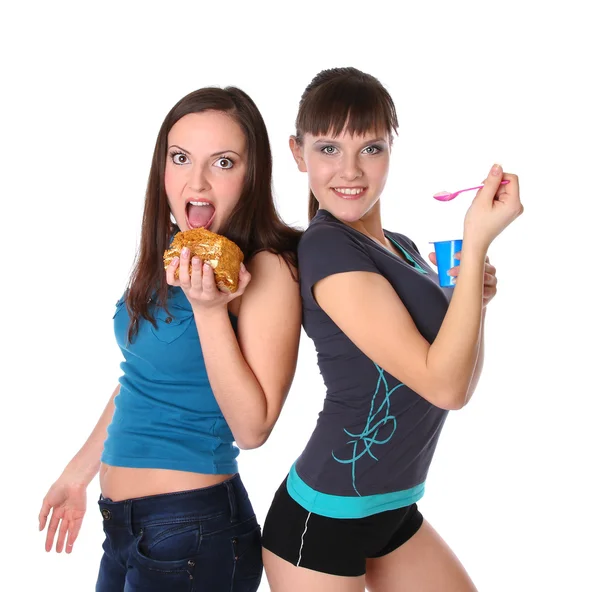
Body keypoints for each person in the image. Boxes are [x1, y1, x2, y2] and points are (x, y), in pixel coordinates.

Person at [262, 67, 523, 592]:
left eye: (371, 148)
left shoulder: (400, 247)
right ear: (297, 153)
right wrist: (474, 244)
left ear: (391, 149)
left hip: (393, 508)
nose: (350, 170)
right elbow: (445, 386)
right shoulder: (328, 248)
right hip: (323, 520)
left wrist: (475, 297)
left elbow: (460, 381)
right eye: (328, 149)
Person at [38, 86, 302, 591]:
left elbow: (253, 429)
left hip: (193, 534)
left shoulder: (268, 269)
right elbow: (141, 380)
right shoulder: (174, 253)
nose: (196, 180)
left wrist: (209, 310)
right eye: (180, 158)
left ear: (252, 175)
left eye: (222, 162)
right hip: (121, 529)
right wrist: (77, 474)